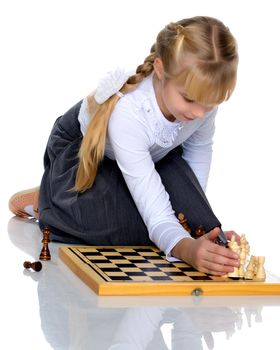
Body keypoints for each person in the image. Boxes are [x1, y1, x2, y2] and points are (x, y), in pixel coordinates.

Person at [9, 16, 240, 275]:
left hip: (145, 160)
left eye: (209, 104)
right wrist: (185, 247)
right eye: (189, 100)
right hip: (83, 153)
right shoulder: (130, 111)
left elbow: (198, 152)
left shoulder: (201, 100)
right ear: (161, 71)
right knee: (122, 226)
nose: (200, 113)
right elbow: (157, 212)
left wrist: (198, 222)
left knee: (166, 219)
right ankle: (52, 199)